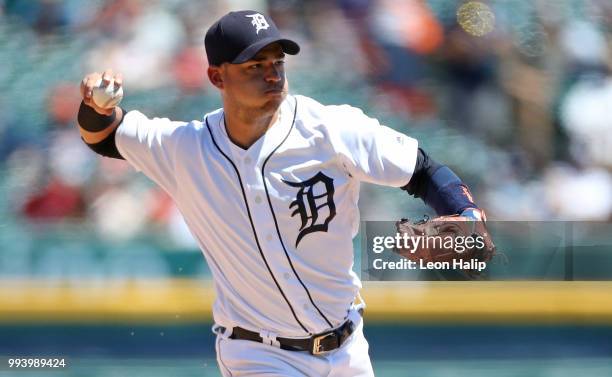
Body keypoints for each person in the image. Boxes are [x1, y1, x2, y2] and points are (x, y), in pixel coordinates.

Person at [77, 10, 485, 377]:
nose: (272, 74)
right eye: (255, 65)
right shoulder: (186, 148)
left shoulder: (329, 129)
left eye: (277, 62)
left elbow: (423, 169)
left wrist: (466, 213)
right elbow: (104, 134)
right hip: (258, 355)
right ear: (217, 77)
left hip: (348, 351)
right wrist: (95, 103)